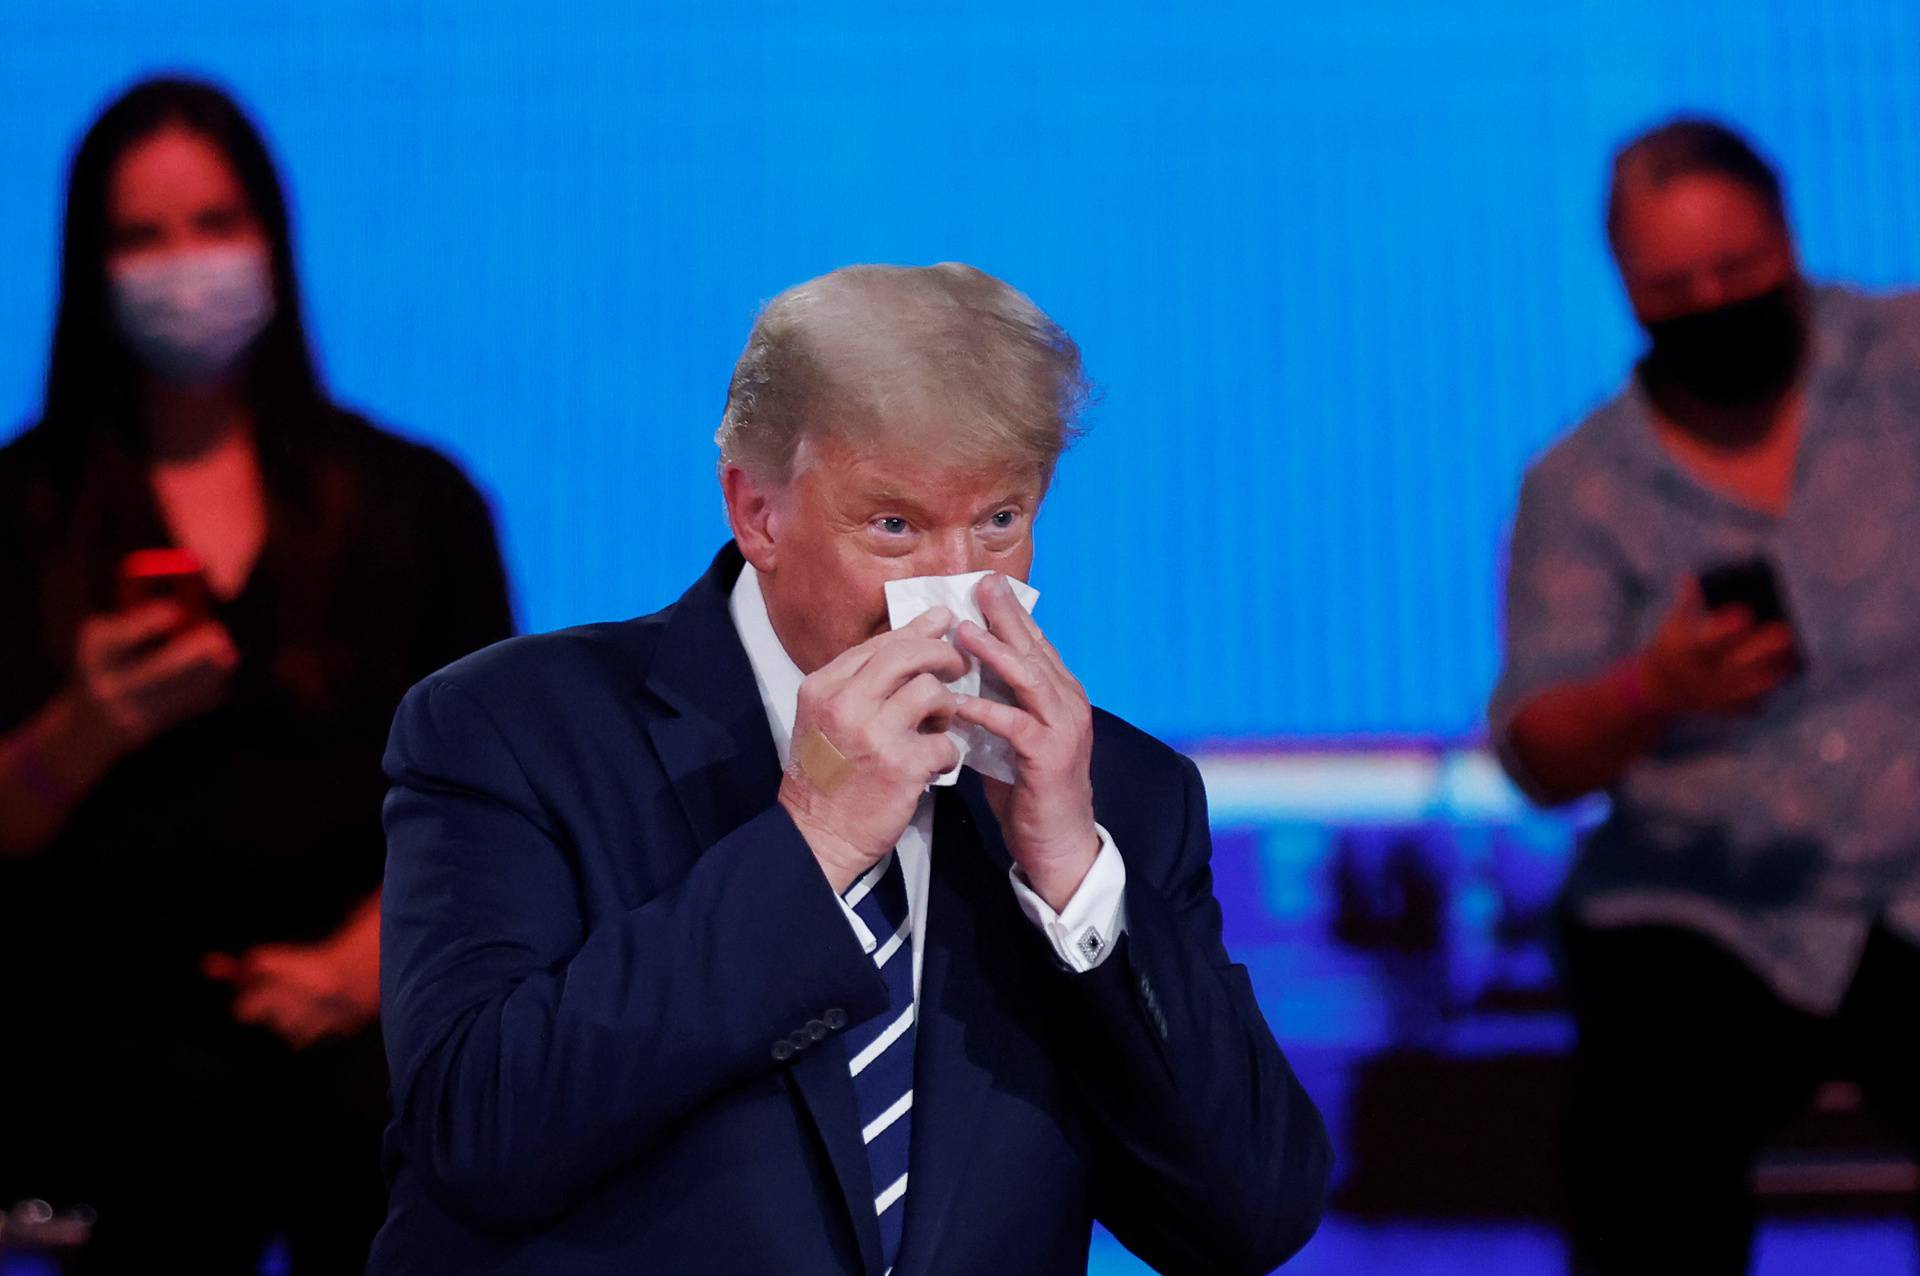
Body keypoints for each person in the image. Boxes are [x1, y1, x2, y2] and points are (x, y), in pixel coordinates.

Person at [370, 262, 1331, 1274]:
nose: (957, 593)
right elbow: (478, 1135)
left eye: (1000, 520)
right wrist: (813, 843)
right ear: (759, 513)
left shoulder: (1120, 794)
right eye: (896, 527)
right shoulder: (512, 729)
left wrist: (1072, 876)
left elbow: (1249, 1216)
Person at [0, 77, 514, 1271]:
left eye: (215, 225)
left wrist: (365, 963)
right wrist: (83, 727)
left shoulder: (415, 505)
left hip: (365, 1020)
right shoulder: (21, 513)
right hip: (96, 1037)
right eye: (143, 236)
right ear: (88, 265)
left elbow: (496, 799)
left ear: (272, 240)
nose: (186, 266)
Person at [1490, 118, 1920, 1274]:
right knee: (1637, 1155)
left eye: (1738, 271)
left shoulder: (1907, 363)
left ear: (1787, 236)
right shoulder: (1579, 488)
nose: (1715, 302)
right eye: (1676, 287)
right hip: (1705, 906)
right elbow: (1537, 753)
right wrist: (1653, 688)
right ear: (1627, 290)